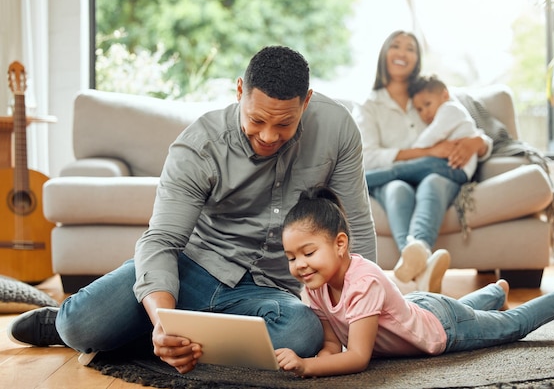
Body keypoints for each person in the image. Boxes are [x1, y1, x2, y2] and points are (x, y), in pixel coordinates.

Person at [8, 45, 379, 374]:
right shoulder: (200, 146)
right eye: (257, 120)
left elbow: (356, 225)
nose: (269, 136)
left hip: (267, 289)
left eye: (284, 123)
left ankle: (136, 337)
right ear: (239, 92)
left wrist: (364, 312)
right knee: (80, 327)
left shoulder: (337, 129)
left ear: (307, 101)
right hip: (192, 269)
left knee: (302, 334)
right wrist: (163, 320)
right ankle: (93, 326)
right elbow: (162, 241)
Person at [276, 186, 554, 378]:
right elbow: (333, 345)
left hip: (443, 329)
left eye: (308, 252)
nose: (300, 264)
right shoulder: (314, 287)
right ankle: (494, 292)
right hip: (419, 310)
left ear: (340, 244)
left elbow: (359, 357)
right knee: (462, 310)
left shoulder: (364, 282)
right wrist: (318, 364)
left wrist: (307, 365)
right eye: (291, 257)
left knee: (512, 325)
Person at [356, 30, 494, 290]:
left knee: (433, 182)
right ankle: (422, 268)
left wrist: (477, 143)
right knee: (397, 188)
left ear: (417, 59)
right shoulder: (369, 106)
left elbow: (467, 127)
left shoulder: (429, 95)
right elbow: (370, 156)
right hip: (395, 179)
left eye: (411, 48)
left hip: (438, 175)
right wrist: (429, 152)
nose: (402, 52)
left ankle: (418, 260)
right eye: (396, 46)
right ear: (384, 53)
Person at [364, 74, 480, 189]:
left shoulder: (450, 109)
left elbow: (431, 135)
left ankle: (355, 183)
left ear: (445, 95)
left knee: (398, 171)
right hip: (453, 167)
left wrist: (417, 151)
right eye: (420, 109)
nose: (425, 113)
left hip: (454, 167)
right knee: (401, 172)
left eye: (428, 104)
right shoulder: (451, 112)